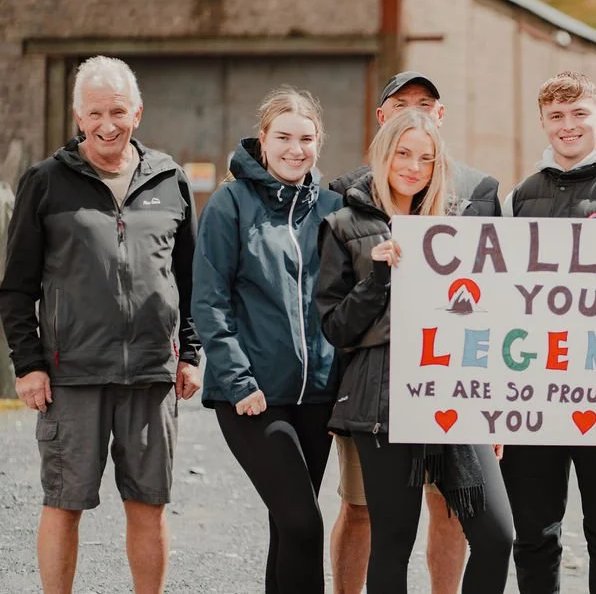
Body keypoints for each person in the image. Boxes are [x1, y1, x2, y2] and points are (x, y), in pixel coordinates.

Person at [0, 55, 202, 594]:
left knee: (149, 503)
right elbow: (16, 288)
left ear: (138, 112)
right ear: (77, 115)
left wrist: (189, 353)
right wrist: (30, 364)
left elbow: (190, 279)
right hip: (72, 376)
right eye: (95, 113)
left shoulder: (170, 180)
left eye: (118, 110)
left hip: (151, 377)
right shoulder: (45, 183)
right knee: (64, 504)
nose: (107, 124)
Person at [317, 109, 513, 593]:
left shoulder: (458, 225)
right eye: (404, 154)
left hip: (455, 393)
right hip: (383, 400)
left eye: (426, 158)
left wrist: (494, 405)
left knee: (497, 535)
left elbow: (490, 314)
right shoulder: (343, 224)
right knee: (394, 539)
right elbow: (336, 327)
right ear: (384, 154)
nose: (414, 167)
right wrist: (379, 277)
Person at [501, 71, 596, 594]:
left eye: (579, 114)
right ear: (543, 122)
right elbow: (502, 295)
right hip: (535, 388)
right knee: (534, 532)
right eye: (556, 117)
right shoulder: (521, 196)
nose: (568, 127)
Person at [191, 86, 343, 593]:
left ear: (319, 143)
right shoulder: (230, 205)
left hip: (317, 396)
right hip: (253, 396)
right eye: (283, 137)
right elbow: (208, 300)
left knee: (289, 527)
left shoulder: (332, 207)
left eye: (306, 139)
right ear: (263, 139)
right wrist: (237, 381)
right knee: (304, 522)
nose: (295, 149)